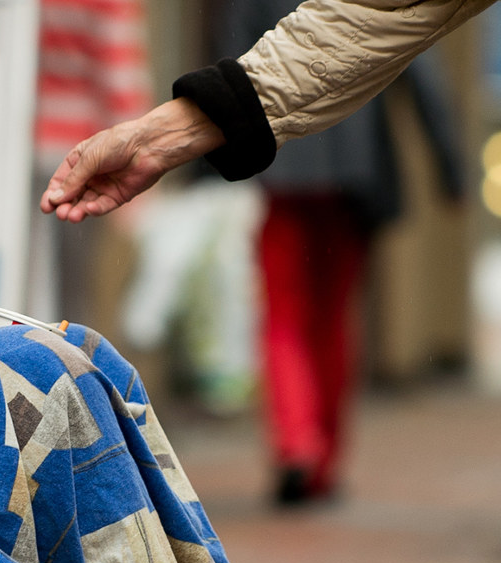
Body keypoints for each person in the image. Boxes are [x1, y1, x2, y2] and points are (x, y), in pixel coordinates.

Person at [207, 0, 463, 504]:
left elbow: (229, 56)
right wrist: (448, 163)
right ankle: (321, 458)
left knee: (284, 314)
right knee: (333, 316)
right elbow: (417, 51)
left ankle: (295, 445)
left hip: (279, 159)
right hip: (354, 166)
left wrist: (210, 152)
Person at [40, 0, 493, 223]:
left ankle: (302, 414)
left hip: (284, 167)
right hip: (329, 164)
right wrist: (160, 136)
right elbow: (379, 23)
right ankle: (312, 414)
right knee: (325, 307)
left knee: (293, 307)